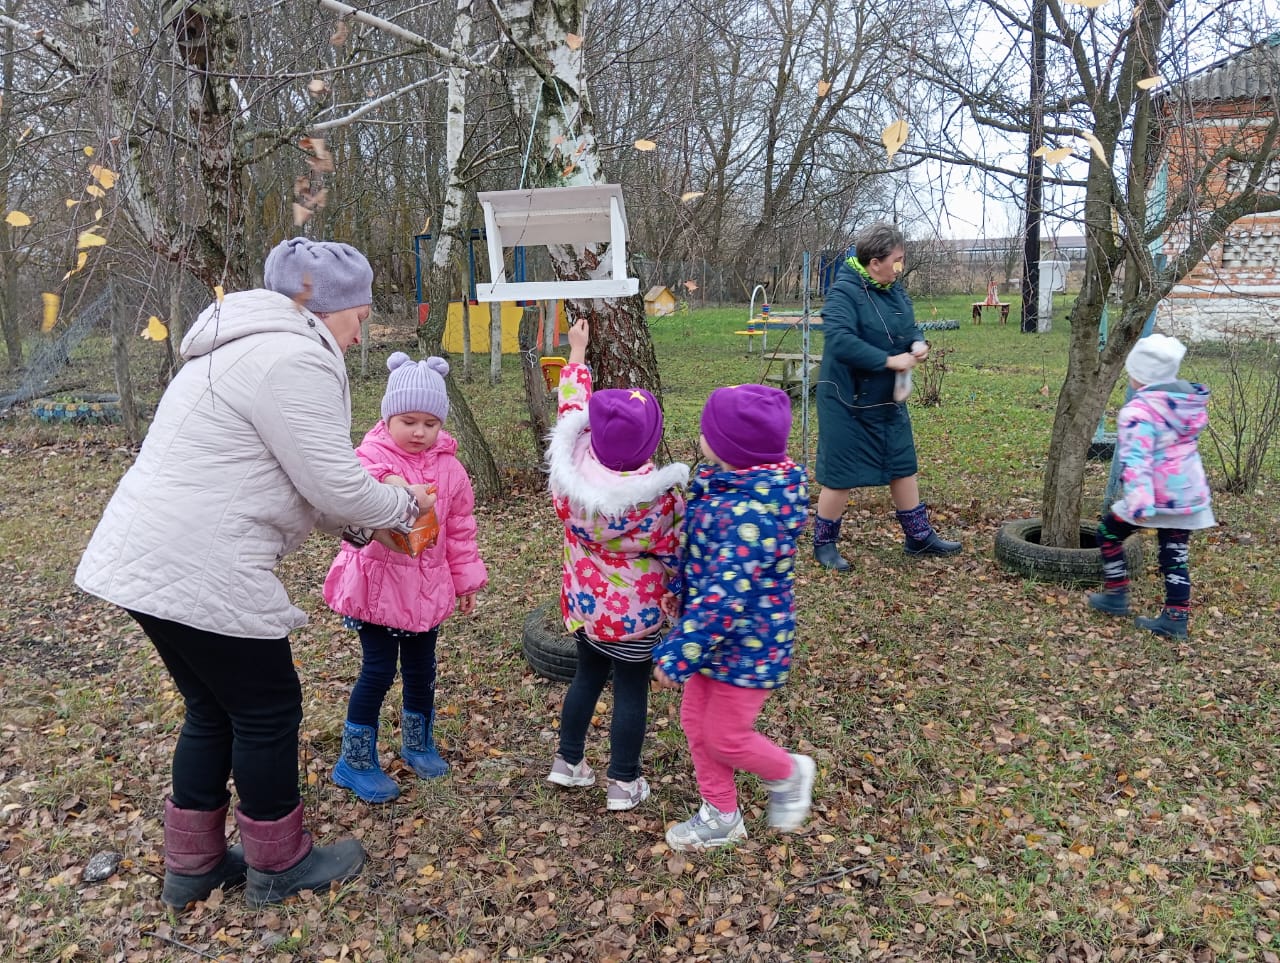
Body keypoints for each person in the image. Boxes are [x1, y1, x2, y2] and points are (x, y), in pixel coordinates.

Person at [75, 237, 436, 909]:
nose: (360, 333)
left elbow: (292, 477)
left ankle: (195, 865)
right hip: (204, 562)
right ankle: (280, 863)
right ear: (329, 307)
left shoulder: (238, 345)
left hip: (146, 554)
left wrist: (363, 521)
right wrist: (402, 504)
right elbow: (331, 481)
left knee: (213, 707)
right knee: (268, 709)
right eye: (359, 315)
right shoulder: (294, 357)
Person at [653, 384, 815, 851]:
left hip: (748, 644)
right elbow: (706, 556)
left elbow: (725, 600)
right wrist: (678, 583)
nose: (702, 436)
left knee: (724, 736)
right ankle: (721, 814)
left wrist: (677, 655)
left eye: (708, 430)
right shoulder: (726, 484)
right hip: (715, 639)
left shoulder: (750, 512)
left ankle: (789, 772)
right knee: (694, 720)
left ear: (730, 446)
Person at [324, 353, 487, 801]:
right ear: (387, 416)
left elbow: (460, 529)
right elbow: (354, 490)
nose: (418, 432)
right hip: (378, 589)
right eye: (408, 420)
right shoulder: (370, 457)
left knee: (421, 670)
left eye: (430, 423)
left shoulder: (451, 470)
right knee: (377, 671)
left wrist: (466, 579)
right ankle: (355, 760)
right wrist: (392, 483)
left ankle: (417, 743)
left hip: (427, 590)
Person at [544, 318, 688, 812]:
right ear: (651, 446)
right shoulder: (661, 501)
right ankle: (623, 782)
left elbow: (570, 409)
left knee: (586, 678)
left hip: (586, 609)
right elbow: (674, 553)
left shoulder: (570, 473)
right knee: (631, 690)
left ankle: (568, 761)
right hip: (636, 618)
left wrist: (577, 354)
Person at [812, 221, 962, 570]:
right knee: (840, 474)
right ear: (874, 261)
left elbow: (909, 325)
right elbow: (839, 339)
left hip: (887, 397)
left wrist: (918, 342)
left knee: (901, 463)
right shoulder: (844, 291)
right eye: (896, 259)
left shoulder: (892, 288)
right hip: (846, 399)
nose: (900, 266)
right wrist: (888, 359)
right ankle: (824, 544)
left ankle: (918, 537)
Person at [1087, 334, 1215, 639]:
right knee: (1174, 555)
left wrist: (1140, 503)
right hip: (1186, 496)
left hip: (1154, 496)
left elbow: (1137, 458)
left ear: (1139, 376)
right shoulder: (1184, 404)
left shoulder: (1139, 411)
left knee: (1107, 533)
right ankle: (1176, 618)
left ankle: (1116, 594)